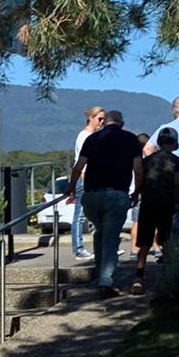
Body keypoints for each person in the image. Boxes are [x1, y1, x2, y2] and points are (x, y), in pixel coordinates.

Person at [67, 109, 142, 297]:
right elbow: (138, 169)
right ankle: (105, 282)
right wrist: (137, 192)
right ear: (121, 123)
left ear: (104, 122)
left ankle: (99, 274)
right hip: (117, 194)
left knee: (100, 232)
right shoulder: (130, 139)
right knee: (110, 238)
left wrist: (72, 187)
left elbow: (78, 167)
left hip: (92, 195)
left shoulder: (92, 139)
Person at [129, 129, 179, 294]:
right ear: (174, 143)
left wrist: (137, 193)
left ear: (159, 143)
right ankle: (171, 277)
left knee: (145, 243)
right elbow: (177, 183)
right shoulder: (177, 161)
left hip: (148, 203)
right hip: (167, 203)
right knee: (167, 240)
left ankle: (138, 277)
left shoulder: (147, 160)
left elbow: (140, 179)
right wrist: (177, 202)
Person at [68, 105, 103, 258]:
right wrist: (81, 179)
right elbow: (81, 161)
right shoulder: (84, 136)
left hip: (93, 178)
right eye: (99, 119)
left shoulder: (94, 136)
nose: (101, 122)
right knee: (80, 215)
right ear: (91, 118)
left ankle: (102, 246)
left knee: (97, 214)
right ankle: (78, 248)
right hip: (85, 178)